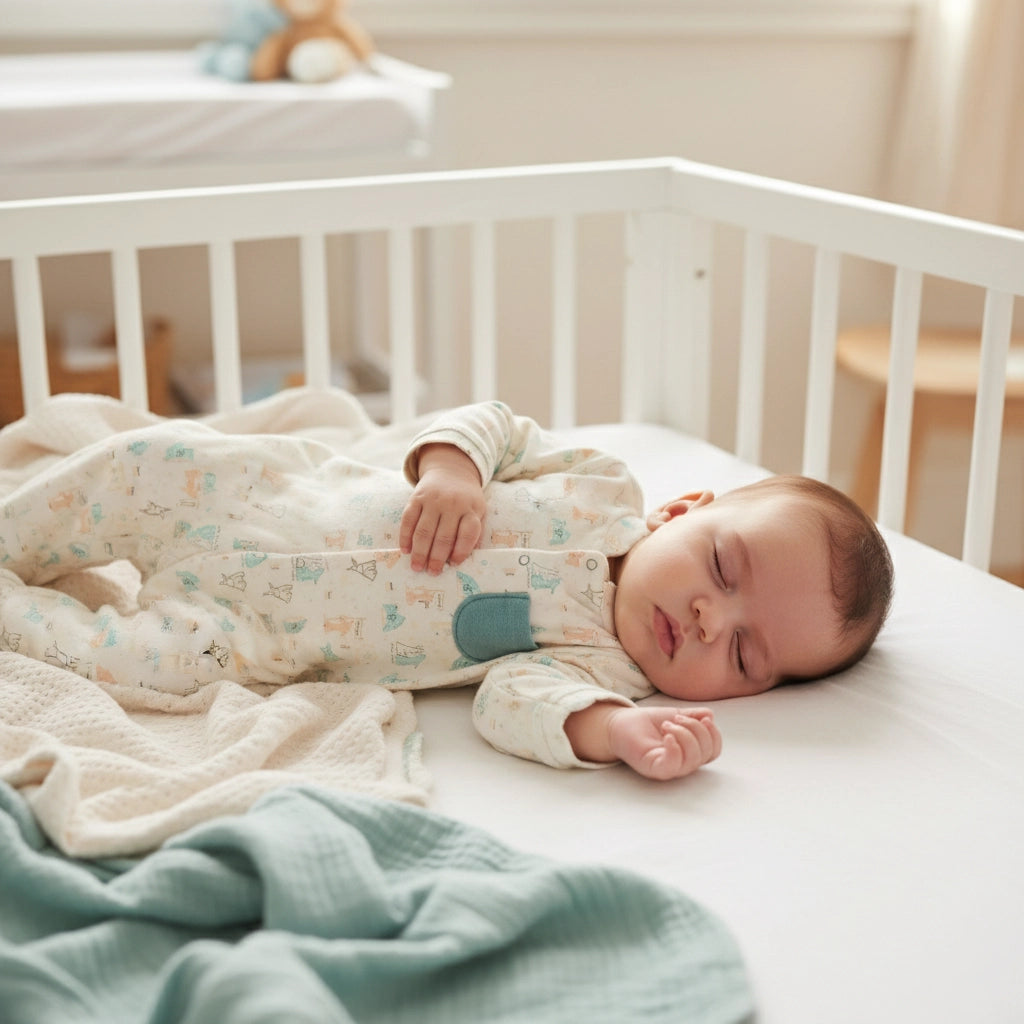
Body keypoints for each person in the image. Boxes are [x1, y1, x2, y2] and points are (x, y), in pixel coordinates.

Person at [0, 400, 893, 781]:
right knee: (140, 462)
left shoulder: (601, 670)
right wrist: (456, 468)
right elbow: (493, 423)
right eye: (724, 570)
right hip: (261, 499)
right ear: (684, 509)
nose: (709, 620)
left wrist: (612, 733)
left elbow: (510, 704)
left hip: (242, 636)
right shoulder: (600, 485)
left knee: (133, 663)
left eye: (743, 652)